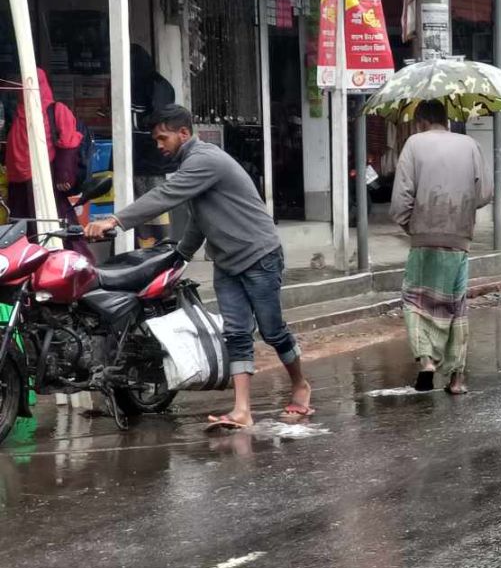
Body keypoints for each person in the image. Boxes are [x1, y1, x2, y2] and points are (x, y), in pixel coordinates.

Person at [85, 105, 311, 430]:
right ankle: (242, 410)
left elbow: (166, 196)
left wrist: (116, 220)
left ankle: (301, 385)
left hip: (259, 255)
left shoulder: (205, 160)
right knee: (235, 333)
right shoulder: (191, 165)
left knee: (273, 331)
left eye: (163, 138)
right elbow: (199, 218)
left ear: (184, 133)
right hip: (226, 260)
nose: (159, 145)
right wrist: (180, 256)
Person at [389, 99, 492, 395]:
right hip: (459, 239)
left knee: (416, 300)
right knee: (456, 306)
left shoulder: (413, 143)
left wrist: (407, 223)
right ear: (445, 120)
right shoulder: (469, 144)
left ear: (420, 121)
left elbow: (401, 198)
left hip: (423, 238)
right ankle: (457, 379)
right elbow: (483, 193)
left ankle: (426, 361)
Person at [4, 70, 85, 247]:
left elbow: (69, 141)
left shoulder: (56, 110)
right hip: (19, 183)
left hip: (47, 177)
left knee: (56, 224)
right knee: (24, 230)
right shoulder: (19, 114)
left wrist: (63, 175)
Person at [130, 44, 178, 247]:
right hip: (140, 157)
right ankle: (148, 245)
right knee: (145, 203)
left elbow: (161, 118)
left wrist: (143, 125)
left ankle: (159, 246)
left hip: (151, 158)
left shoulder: (155, 85)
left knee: (154, 203)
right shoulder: (135, 83)